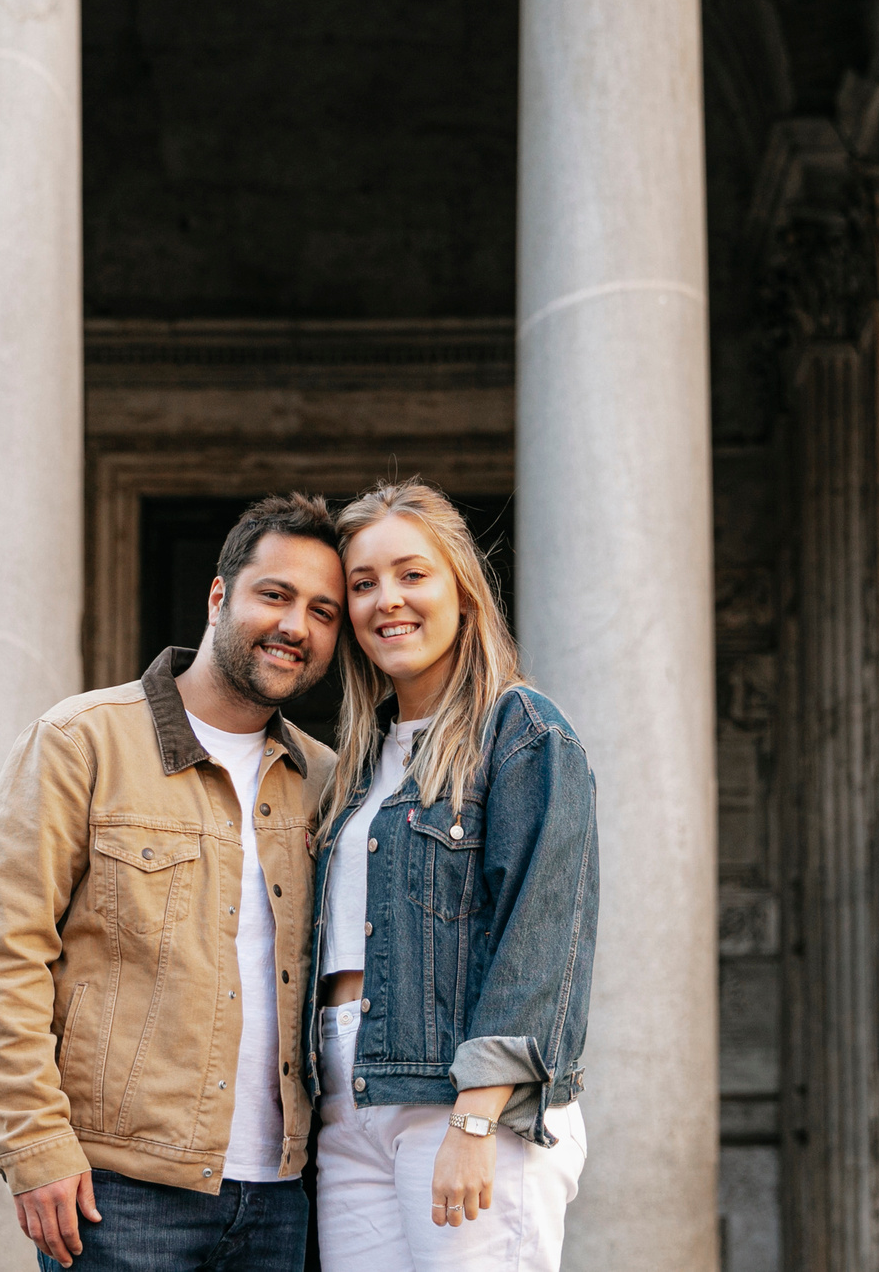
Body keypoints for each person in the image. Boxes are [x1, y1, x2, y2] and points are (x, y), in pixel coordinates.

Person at [0, 492, 345, 1270]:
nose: (296, 625)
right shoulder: (82, 742)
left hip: (281, 1197)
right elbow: (0, 954)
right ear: (218, 594)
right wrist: (34, 1141)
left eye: (323, 610)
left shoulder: (326, 777)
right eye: (276, 594)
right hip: (121, 1192)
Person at [303, 479, 599, 1272]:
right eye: (362, 584)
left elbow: (542, 936)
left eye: (411, 574)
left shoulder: (524, 732)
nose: (385, 600)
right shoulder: (357, 767)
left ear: (462, 591)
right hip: (351, 1101)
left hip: (464, 1104)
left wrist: (476, 1121)